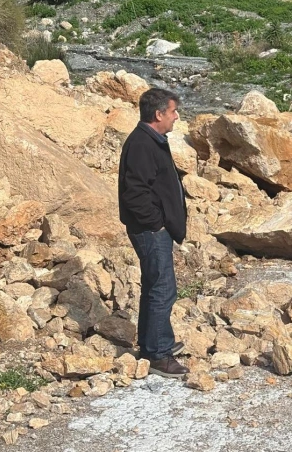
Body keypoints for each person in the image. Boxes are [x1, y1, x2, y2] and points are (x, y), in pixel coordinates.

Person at [118, 87, 190, 378]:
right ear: (159, 114)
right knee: (162, 289)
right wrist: (157, 222)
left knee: (154, 286)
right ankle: (159, 354)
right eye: (173, 111)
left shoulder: (152, 140)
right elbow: (135, 193)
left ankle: (154, 345)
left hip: (154, 229)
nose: (176, 117)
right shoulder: (142, 144)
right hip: (150, 231)